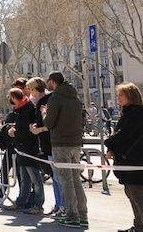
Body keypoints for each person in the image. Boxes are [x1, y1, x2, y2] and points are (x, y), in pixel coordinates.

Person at [42, 71, 88, 228]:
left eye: (49, 81)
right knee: (76, 180)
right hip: (76, 142)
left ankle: (72, 215)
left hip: (61, 143)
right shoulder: (75, 97)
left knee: (66, 180)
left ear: (53, 82)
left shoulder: (55, 98)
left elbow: (48, 123)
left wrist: (44, 114)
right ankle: (82, 215)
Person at [105, 83, 143, 232]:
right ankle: (138, 226)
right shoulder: (128, 113)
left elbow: (124, 135)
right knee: (132, 196)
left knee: (138, 197)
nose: (118, 97)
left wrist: (109, 142)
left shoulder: (136, 114)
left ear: (131, 97)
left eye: (121, 95)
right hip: (129, 163)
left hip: (134, 163)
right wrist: (112, 147)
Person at [27, 76, 65, 217]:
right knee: (55, 176)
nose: (31, 93)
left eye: (31, 89)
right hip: (46, 143)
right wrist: (36, 126)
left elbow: (49, 122)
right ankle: (58, 204)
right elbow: (42, 121)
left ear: (38, 89)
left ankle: (62, 205)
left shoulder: (48, 100)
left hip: (51, 142)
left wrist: (38, 128)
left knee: (58, 177)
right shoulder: (40, 102)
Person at [7, 88, 44, 214]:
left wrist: (15, 132)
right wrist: (14, 130)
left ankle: (38, 205)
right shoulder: (21, 110)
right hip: (22, 148)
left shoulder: (27, 109)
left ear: (14, 97)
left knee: (36, 179)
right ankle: (21, 201)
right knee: (24, 178)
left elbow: (28, 130)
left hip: (29, 148)